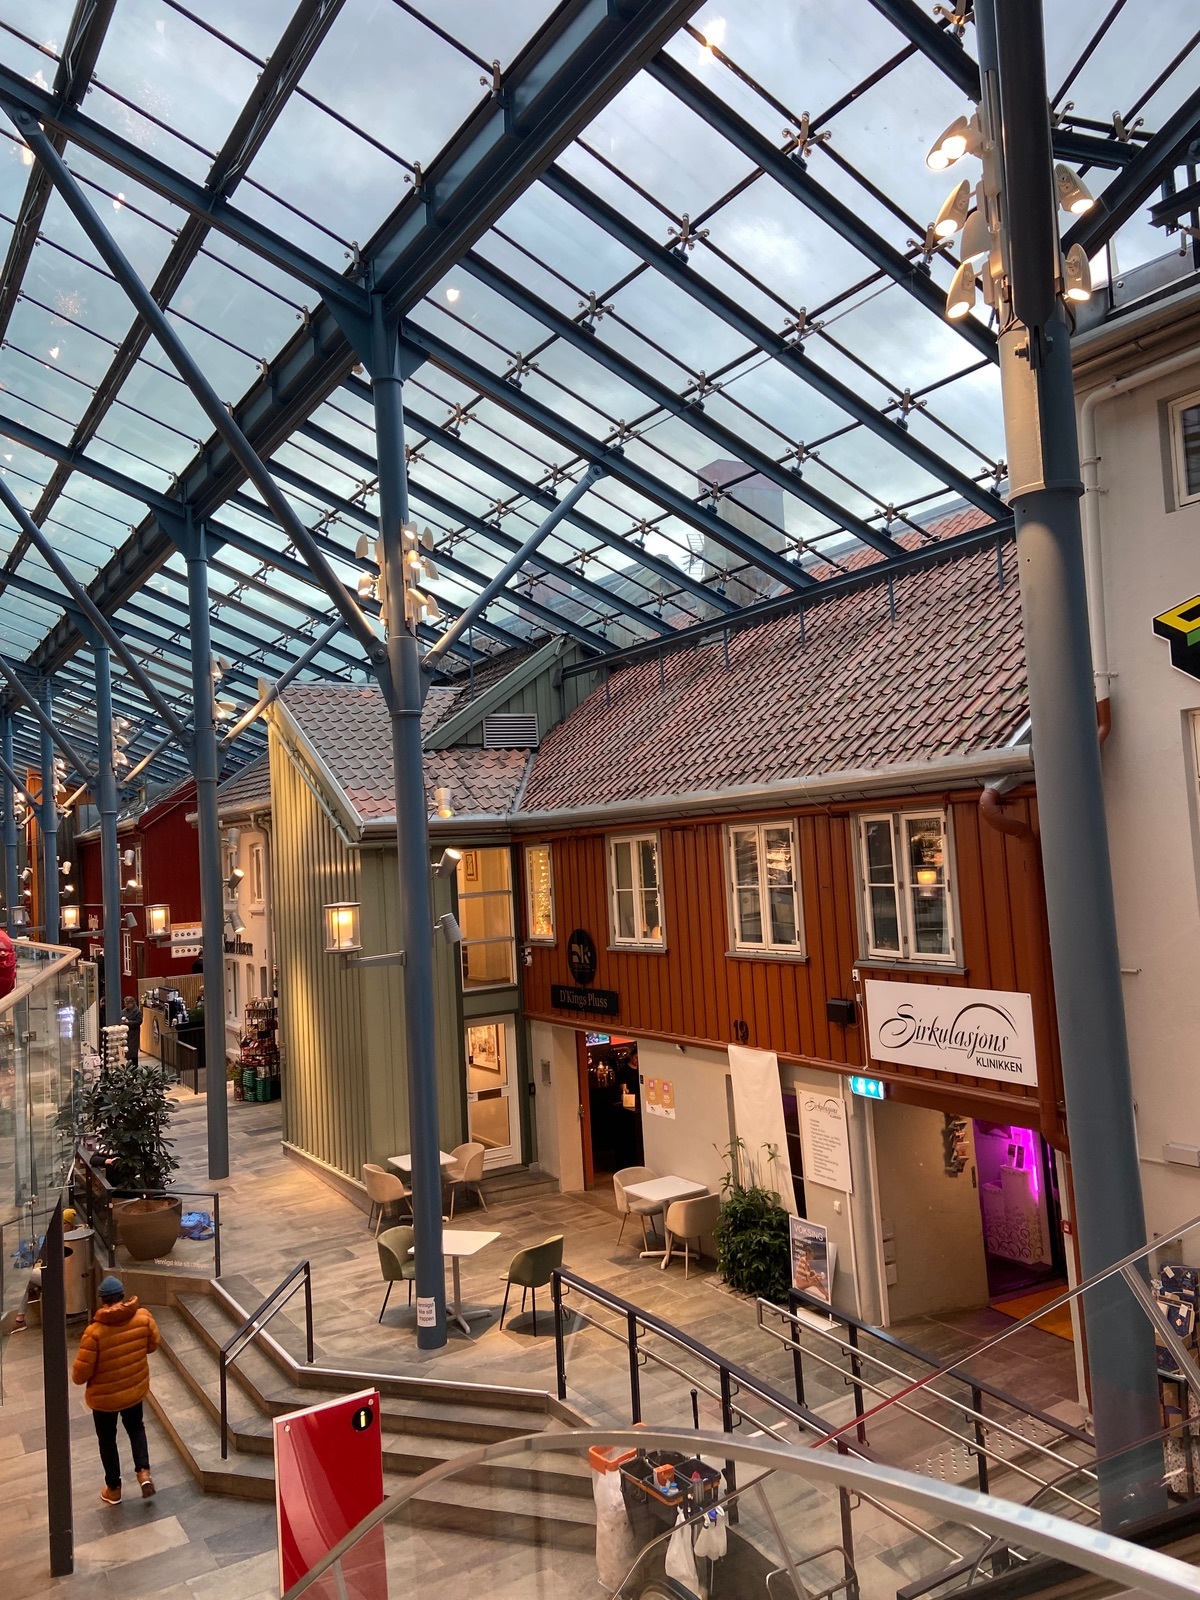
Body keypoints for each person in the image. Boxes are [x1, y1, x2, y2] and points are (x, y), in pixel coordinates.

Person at [72, 1274, 160, 1504]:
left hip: (104, 1400)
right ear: (122, 1295)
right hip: (133, 1390)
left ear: (102, 1301)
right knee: (136, 1429)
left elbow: (79, 1376)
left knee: (107, 1440)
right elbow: (153, 1345)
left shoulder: (94, 1333)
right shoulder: (143, 1317)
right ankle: (144, 1473)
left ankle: (113, 1489)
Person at [121, 994, 142, 1063]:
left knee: (132, 1051)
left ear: (132, 1003)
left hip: (133, 1033)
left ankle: (134, 1065)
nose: (126, 1005)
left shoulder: (137, 1012)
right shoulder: (124, 1011)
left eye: (127, 1004)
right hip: (125, 1033)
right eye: (125, 1004)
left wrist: (129, 1022)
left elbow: (139, 1022)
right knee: (126, 1051)